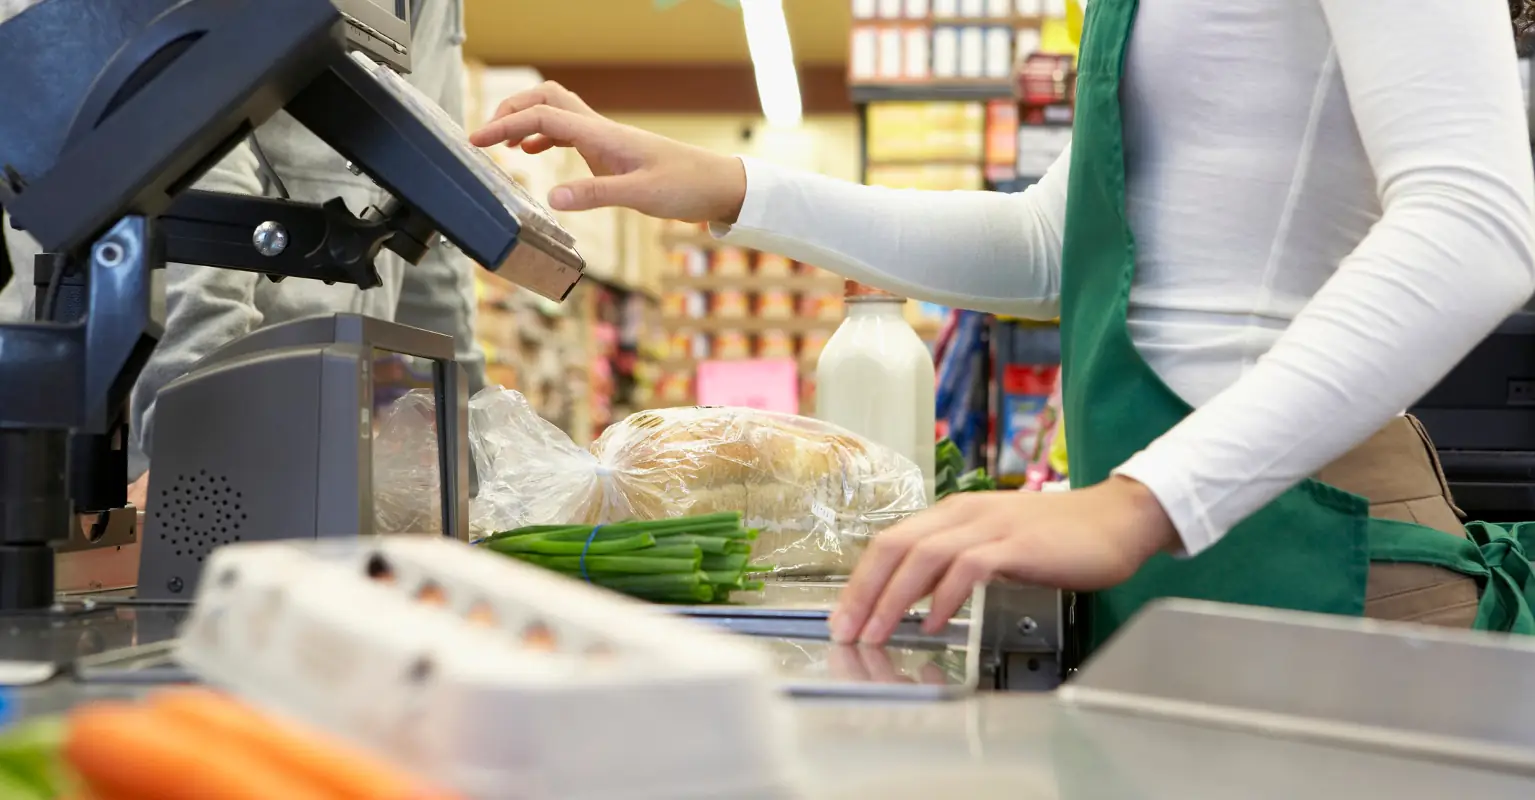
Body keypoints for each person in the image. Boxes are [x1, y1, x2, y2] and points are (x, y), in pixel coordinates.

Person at [470, 0, 1535, 650]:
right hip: (1188, 551)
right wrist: (733, 185)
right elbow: (1046, 243)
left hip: (1315, 550)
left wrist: (1139, 502)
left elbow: (1476, 220)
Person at [0, 0, 486, 511]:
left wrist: (470, 459)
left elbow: (432, 206)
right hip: (153, 450)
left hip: (298, 451)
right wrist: (205, 447)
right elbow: (176, 157)